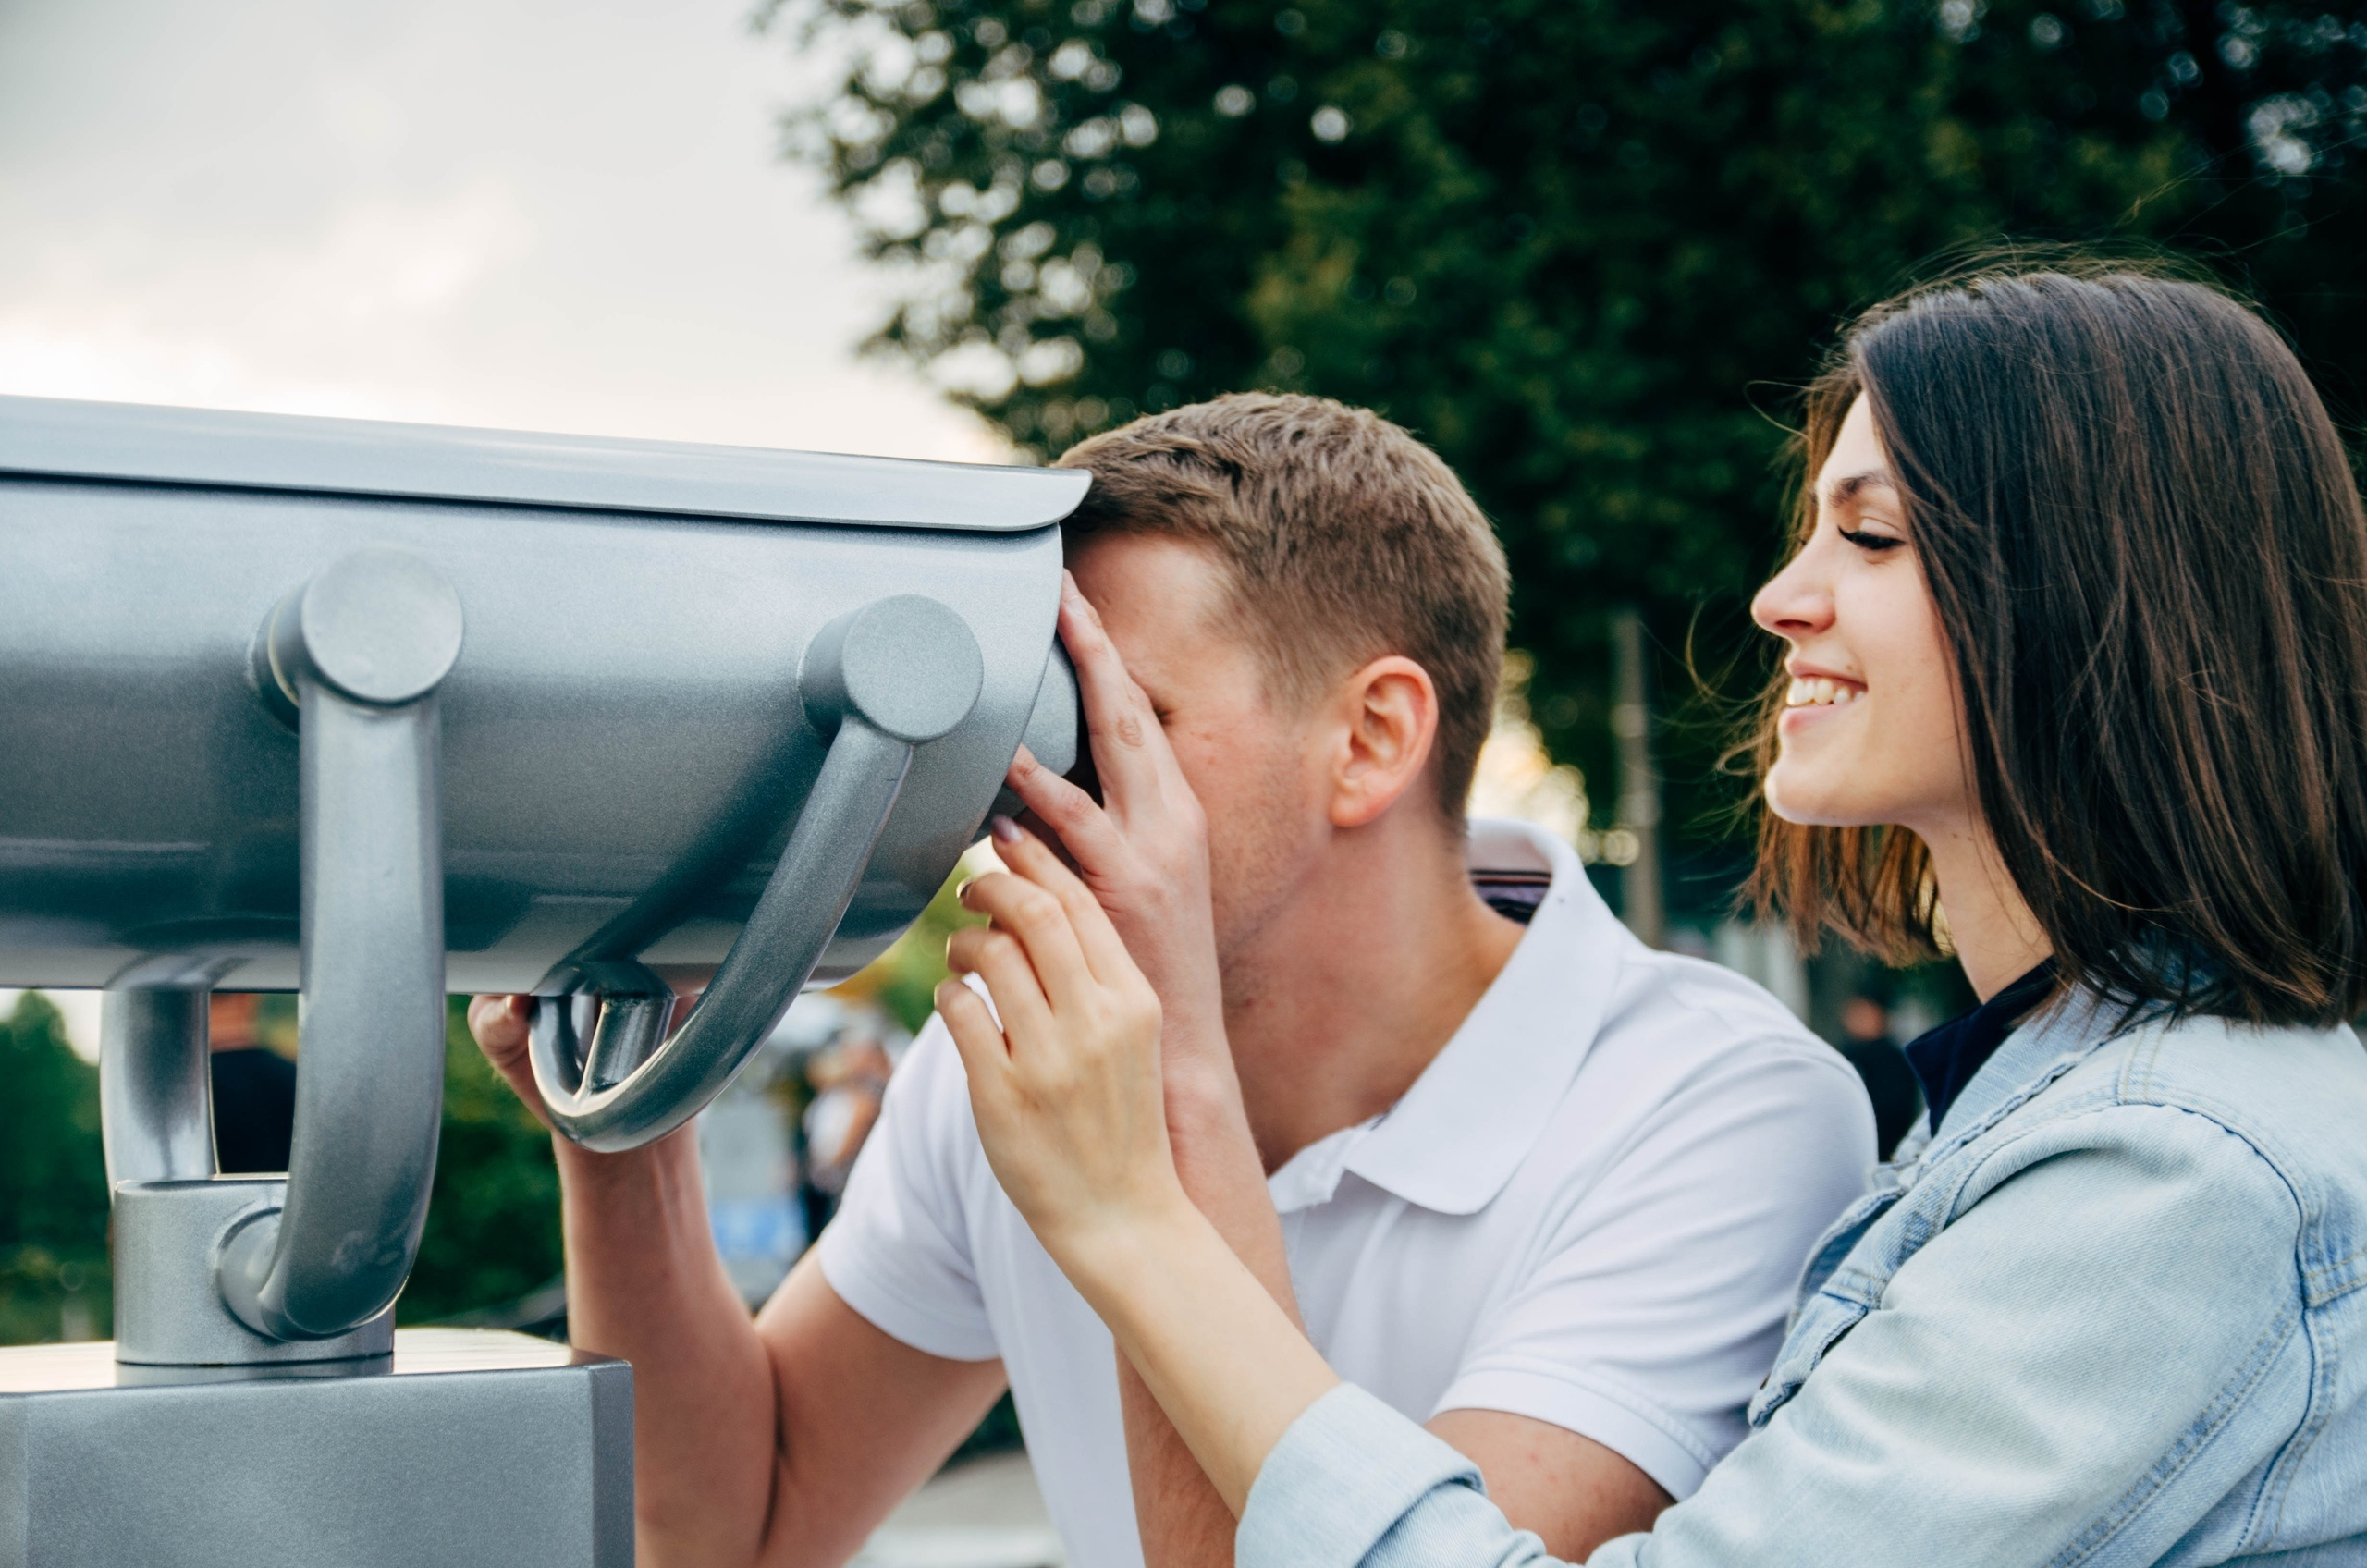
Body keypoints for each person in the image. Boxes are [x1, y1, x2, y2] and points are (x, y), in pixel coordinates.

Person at [938, 264, 2367, 1563]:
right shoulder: (2061, 1117)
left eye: (1870, 536)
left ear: (2087, 588)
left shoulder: (2172, 1177)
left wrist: (1137, 1211)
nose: (1778, 598)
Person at [466, 395, 1875, 1568]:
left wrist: (1144, 1142)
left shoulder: (1715, 1113)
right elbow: (735, 1529)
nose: (1016, 794)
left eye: (1113, 717)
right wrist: (623, 1114)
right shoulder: (1017, 1055)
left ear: (1373, 738)